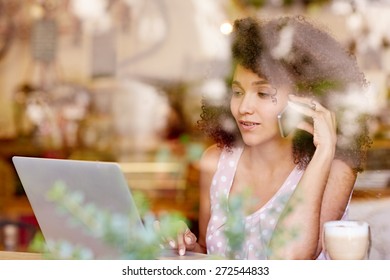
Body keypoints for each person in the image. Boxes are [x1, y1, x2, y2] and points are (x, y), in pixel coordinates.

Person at [166, 15, 371, 259]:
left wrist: (325, 150)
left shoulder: (335, 167)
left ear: (305, 99)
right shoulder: (215, 164)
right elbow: (212, 257)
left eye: (263, 93)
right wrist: (186, 248)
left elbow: (288, 260)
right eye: (237, 92)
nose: (244, 107)